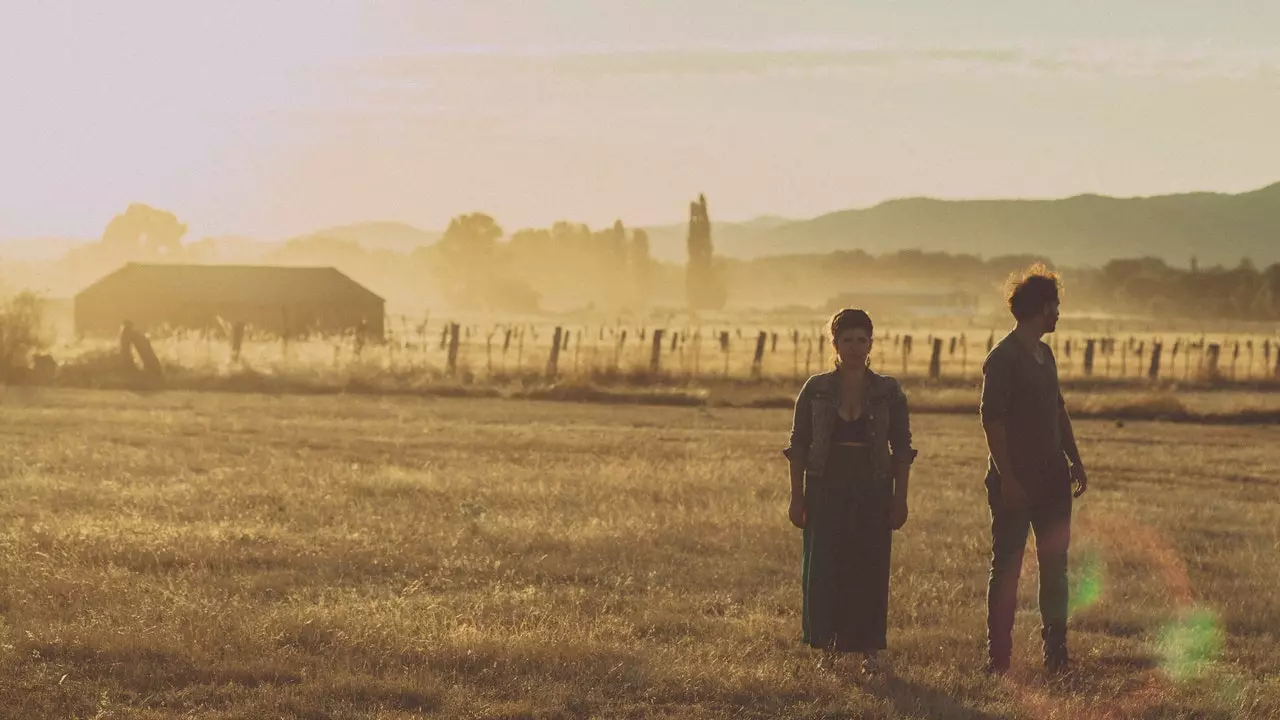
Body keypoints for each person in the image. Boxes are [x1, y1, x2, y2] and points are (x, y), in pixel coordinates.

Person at [784, 308, 917, 676]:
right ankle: (826, 647)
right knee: (825, 565)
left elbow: (902, 449)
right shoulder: (816, 388)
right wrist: (797, 496)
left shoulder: (888, 391)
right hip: (826, 484)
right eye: (847, 340)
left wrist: (900, 498)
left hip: (873, 485)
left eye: (862, 340)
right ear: (835, 344)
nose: (855, 347)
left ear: (871, 343)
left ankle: (869, 650)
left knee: (870, 566)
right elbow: (798, 445)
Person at [980, 265, 1089, 675]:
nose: (1058, 315)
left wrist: (1074, 459)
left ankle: (1056, 654)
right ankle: (998, 658)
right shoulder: (1002, 358)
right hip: (1017, 479)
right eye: (1055, 307)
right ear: (1042, 308)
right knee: (1007, 566)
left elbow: (1057, 410)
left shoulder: (1045, 355)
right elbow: (992, 421)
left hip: (1052, 478)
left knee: (1055, 567)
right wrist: (1007, 478)